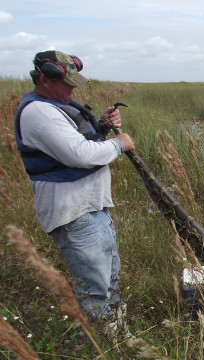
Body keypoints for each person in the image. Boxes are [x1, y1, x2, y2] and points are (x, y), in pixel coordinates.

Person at [14, 50, 135, 322]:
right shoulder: (39, 112)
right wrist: (119, 144)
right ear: (44, 78)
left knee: (110, 275)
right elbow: (80, 155)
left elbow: (82, 143)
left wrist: (102, 126)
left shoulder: (54, 105)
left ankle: (117, 333)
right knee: (96, 288)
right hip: (74, 213)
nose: (71, 89)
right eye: (66, 83)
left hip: (91, 208)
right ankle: (104, 342)